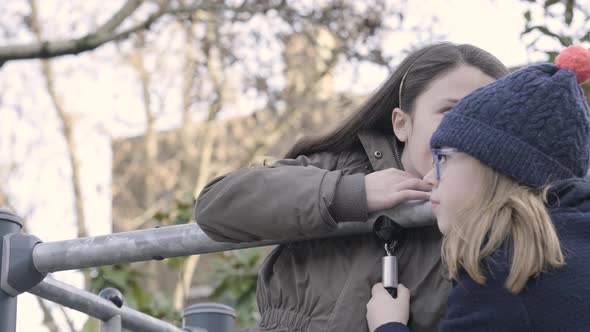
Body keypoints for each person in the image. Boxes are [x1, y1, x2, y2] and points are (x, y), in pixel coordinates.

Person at [194, 42, 509, 332]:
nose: (469, 129)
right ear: (402, 123)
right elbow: (214, 208)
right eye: (450, 111)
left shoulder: (504, 222)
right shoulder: (337, 167)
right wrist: (349, 193)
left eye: (485, 115)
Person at [367, 45, 590, 332]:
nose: (431, 178)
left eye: (444, 158)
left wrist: (388, 325)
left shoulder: (505, 273)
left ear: (495, 166)